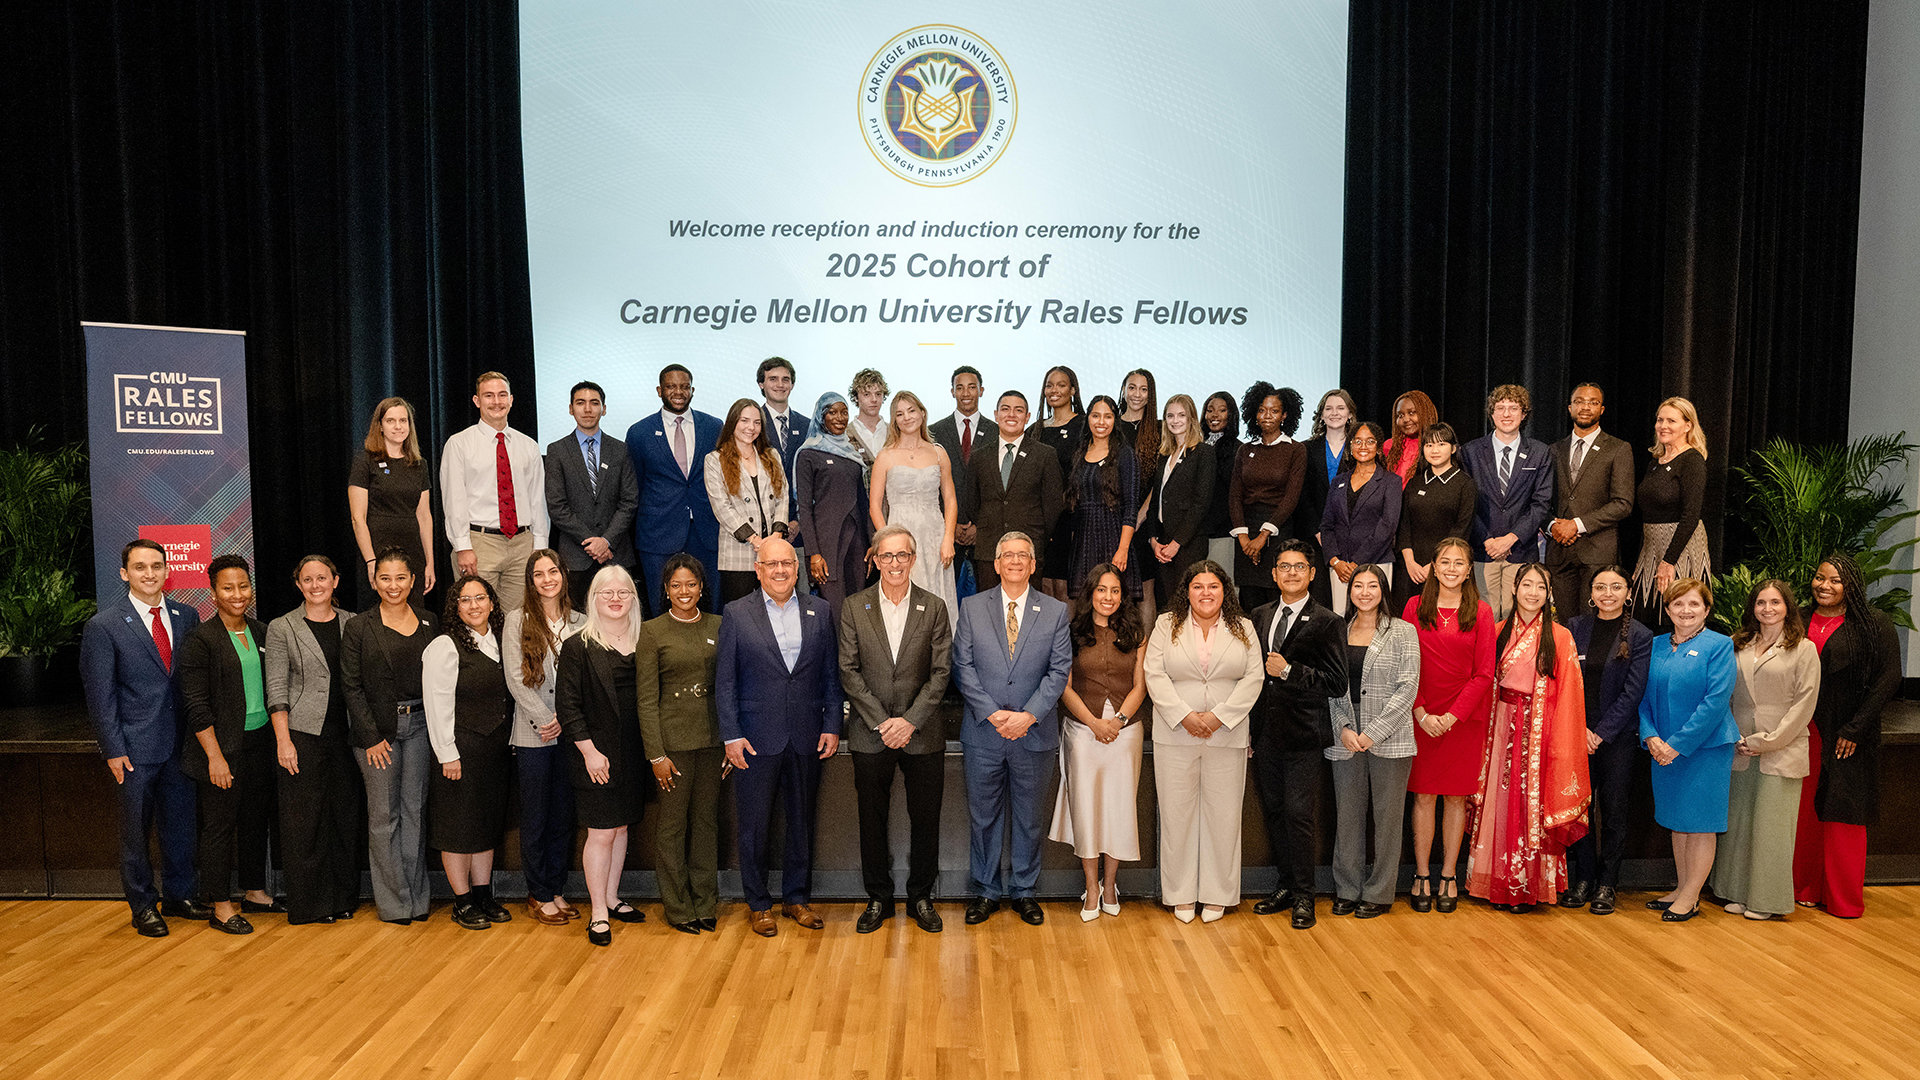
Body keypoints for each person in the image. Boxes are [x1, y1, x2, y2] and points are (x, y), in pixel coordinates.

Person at [79, 539, 206, 937]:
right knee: (135, 831)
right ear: (124, 574)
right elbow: (100, 694)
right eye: (139, 567)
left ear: (168, 571)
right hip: (134, 747)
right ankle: (142, 905)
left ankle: (180, 895)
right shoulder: (104, 626)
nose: (149, 573)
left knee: (182, 825)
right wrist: (113, 749)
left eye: (156, 566)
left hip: (180, 744)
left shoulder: (187, 615)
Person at [717, 537, 843, 937]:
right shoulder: (737, 613)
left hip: (807, 734)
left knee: (801, 822)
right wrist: (731, 735)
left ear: (797, 566)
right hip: (755, 738)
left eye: (787, 563)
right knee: (754, 825)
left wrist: (832, 724)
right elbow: (725, 682)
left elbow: (830, 675)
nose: (779, 571)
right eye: (771, 564)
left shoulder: (819, 611)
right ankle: (758, 903)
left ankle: (796, 898)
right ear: (758, 569)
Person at [953, 531, 1074, 926]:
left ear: (1034, 565)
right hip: (984, 733)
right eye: (1009, 555)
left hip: (1033, 733)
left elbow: (1058, 673)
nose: (1016, 561)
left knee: (1028, 817)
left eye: (1024, 555)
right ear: (997, 562)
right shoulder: (971, 608)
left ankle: (1024, 891)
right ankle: (986, 891)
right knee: (983, 817)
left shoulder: (1055, 612)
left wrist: (1029, 715)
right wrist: (992, 713)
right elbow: (962, 667)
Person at [839, 525, 953, 934]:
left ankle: (921, 896)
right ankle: (878, 899)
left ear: (913, 558)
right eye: (886, 556)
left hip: (921, 733)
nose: (894, 564)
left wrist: (909, 721)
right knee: (872, 820)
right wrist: (882, 721)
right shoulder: (854, 607)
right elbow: (848, 671)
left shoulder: (935, 607)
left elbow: (941, 673)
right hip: (872, 733)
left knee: (926, 820)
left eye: (902, 555)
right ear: (874, 559)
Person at [1463, 563, 1590, 911]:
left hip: (1540, 730)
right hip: (1501, 723)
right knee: (1499, 803)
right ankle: (1495, 884)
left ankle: (1527, 888)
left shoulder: (1560, 636)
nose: (1533, 592)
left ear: (1549, 593)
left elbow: (1569, 694)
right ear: (1515, 588)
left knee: (1529, 805)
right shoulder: (1499, 629)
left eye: (1540, 587)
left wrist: (1561, 741)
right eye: (1527, 585)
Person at [1144, 560, 1264, 923]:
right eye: (1198, 586)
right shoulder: (1167, 624)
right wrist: (1184, 715)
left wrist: (1219, 717)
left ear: (1224, 591)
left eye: (1213, 586)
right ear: (1187, 591)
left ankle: (1217, 894)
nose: (1206, 593)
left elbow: (1254, 677)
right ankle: (1180, 893)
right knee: (1177, 815)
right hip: (1175, 732)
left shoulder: (1242, 627)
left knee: (1224, 816)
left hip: (1226, 733)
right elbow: (1154, 673)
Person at [1246, 539, 1349, 929]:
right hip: (1265, 733)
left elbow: (1337, 682)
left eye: (1299, 566)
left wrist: (1289, 671)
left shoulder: (1328, 620)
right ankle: (1286, 885)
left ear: (1312, 573)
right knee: (1273, 812)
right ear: (1273, 574)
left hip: (1304, 735)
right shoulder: (1257, 615)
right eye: (1284, 566)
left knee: (1299, 815)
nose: (1291, 572)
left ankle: (1306, 895)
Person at [1795, 553, 1903, 918]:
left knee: (1844, 818)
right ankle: (1805, 888)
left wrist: (1856, 728)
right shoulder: (1799, 618)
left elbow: (1889, 678)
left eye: (1835, 580)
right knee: (1805, 814)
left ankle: (1842, 899)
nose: (1824, 586)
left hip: (1849, 734)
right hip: (1803, 732)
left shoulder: (1873, 623)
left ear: (1851, 586)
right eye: (1820, 578)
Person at [1711, 580, 1819, 921]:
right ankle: (1738, 893)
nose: (1767, 609)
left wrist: (1765, 741)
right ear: (1752, 608)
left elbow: (1805, 704)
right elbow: (1724, 695)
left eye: (1775, 602)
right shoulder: (1738, 644)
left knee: (1772, 830)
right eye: (1761, 602)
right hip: (1739, 749)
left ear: (1788, 607)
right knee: (1740, 826)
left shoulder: (1804, 649)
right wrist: (1736, 738)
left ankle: (1767, 901)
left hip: (1780, 749)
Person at [178, 555, 275, 934]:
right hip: (220, 750)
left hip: (259, 742)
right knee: (220, 827)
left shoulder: (262, 631)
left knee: (254, 821)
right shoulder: (200, 640)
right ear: (213, 592)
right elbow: (196, 706)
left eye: (243, 586)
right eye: (228, 588)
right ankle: (220, 904)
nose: (238, 595)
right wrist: (215, 757)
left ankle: (254, 891)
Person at [264, 555, 362, 925]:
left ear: (335, 581)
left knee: (343, 818)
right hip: (303, 736)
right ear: (298, 584)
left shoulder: (353, 623)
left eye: (323, 577)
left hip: (348, 736)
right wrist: (283, 740)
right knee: (304, 823)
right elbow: (276, 687)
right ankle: (312, 905)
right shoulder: (282, 627)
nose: (316, 585)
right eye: (308, 579)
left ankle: (342, 899)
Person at [342, 548, 437, 924]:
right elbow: (351, 686)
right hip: (377, 735)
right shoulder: (359, 627)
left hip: (420, 729)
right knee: (384, 817)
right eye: (385, 578)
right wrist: (369, 737)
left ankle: (416, 898)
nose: (393, 585)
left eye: (401, 578)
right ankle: (394, 904)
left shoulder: (430, 623)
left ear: (413, 581)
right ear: (374, 581)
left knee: (415, 813)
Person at [557, 564, 649, 946]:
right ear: (593, 599)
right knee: (601, 831)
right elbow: (568, 706)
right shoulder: (578, 645)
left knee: (622, 826)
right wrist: (590, 752)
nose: (615, 599)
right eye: (606, 593)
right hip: (596, 754)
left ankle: (612, 897)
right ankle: (597, 912)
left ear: (633, 598)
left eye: (622, 592)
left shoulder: (647, 639)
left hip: (636, 752)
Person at [1402, 537, 1495, 914]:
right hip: (1420, 714)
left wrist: (1452, 717)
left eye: (1459, 563)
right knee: (1423, 796)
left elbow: (1484, 673)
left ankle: (1448, 875)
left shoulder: (1482, 612)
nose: (1452, 569)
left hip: (1463, 720)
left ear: (1468, 569)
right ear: (1434, 567)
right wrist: (1422, 713)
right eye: (1445, 562)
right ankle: (1421, 875)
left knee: (1457, 798)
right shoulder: (1413, 606)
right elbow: (1405, 663)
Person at [1051, 563, 1149, 920]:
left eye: (1115, 591)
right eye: (1102, 590)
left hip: (1126, 731)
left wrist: (1119, 721)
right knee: (1087, 808)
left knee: (1119, 808)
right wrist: (1093, 723)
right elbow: (1063, 686)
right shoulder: (1071, 631)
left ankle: (1111, 884)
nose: (1108, 597)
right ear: (1090, 593)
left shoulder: (1137, 631)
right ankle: (1091, 886)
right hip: (1082, 730)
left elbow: (1141, 685)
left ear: (1123, 596)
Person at [1638, 577, 1739, 922]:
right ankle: (1682, 889)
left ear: (1707, 609)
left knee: (1700, 824)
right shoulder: (1655, 645)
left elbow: (1715, 703)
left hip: (1704, 749)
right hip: (1661, 749)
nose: (1686, 611)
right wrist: (1651, 736)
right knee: (1677, 821)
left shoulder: (1720, 646)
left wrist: (1676, 746)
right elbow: (1641, 696)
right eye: (1678, 604)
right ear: (1667, 609)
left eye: (1694, 604)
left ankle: (1692, 896)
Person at [1323, 565, 1419, 918]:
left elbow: (1408, 687)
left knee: (1387, 818)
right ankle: (1347, 888)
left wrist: (1372, 732)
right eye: (1357, 585)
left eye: (1372, 585)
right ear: (1349, 592)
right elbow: (1331, 687)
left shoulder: (1403, 631)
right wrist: (1345, 727)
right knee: (1347, 817)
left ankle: (1379, 893)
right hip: (1344, 735)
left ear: (1383, 590)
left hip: (1389, 735)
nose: (1364, 592)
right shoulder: (1337, 630)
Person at [636, 554, 724, 935]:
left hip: (713, 743)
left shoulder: (721, 626)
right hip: (672, 748)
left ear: (702, 588)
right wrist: (656, 754)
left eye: (691, 584)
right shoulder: (652, 632)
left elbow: (731, 687)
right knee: (672, 827)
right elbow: (645, 699)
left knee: (706, 825)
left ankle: (705, 902)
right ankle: (677, 906)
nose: (684, 591)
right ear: (666, 591)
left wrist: (731, 743)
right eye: (676, 585)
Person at [423, 574, 514, 930]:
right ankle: (462, 901)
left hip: (494, 750)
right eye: (465, 600)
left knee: (485, 824)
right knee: (458, 827)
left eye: (480, 598)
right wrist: (448, 753)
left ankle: (482, 894)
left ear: (492, 603)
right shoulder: (444, 646)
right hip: (459, 751)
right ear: (455, 607)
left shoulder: (502, 642)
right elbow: (437, 703)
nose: (474, 606)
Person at [501, 549, 587, 926]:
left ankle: (555, 887)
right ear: (530, 581)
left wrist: (566, 721)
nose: (547, 579)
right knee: (535, 817)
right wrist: (545, 719)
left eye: (553, 571)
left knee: (562, 817)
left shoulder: (582, 622)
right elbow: (515, 680)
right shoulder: (515, 620)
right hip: (533, 734)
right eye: (539, 574)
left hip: (569, 735)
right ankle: (537, 893)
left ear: (563, 576)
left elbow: (584, 681)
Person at [1562, 567, 1652, 914]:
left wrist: (1601, 733)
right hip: (1576, 734)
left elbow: (1633, 692)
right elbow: (1568, 683)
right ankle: (1583, 878)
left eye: (1616, 587)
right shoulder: (1575, 628)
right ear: (1591, 592)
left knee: (1614, 812)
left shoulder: (1641, 635)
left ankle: (1607, 883)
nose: (1608, 593)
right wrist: (1581, 729)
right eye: (1601, 587)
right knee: (1579, 809)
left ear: (1628, 592)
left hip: (1617, 738)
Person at [441, 371, 547, 611]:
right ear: (477, 401)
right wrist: (463, 547)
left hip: (523, 546)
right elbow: (454, 500)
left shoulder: (528, 446)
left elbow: (537, 500)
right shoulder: (459, 444)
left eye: (502, 395)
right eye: (489, 396)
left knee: (518, 622)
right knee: (476, 618)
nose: (496, 402)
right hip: (479, 544)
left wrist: (539, 547)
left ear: (511, 400)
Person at [626, 363, 722, 616]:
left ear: (692, 390)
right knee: (660, 606)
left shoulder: (713, 427)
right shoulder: (639, 432)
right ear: (659, 390)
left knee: (710, 605)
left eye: (684, 386)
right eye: (671, 386)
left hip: (706, 531)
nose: (678, 391)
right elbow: (635, 484)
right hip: (658, 534)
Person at [544, 380, 639, 610]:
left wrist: (606, 541)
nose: (588, 409)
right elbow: (557, 506)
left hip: (615, 554)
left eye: (594, 403)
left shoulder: (620, 449)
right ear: (570, 408)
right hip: (575, 557)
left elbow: (629, 500)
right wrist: (591, 542)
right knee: (577, 623)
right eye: (581, 403)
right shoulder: (556, 451)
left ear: (603, 409)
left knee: (621, 618)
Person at [1461, 384, 1553, 620]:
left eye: (1514, 408)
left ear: (1524, 415)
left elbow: (1541, 503)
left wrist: (1511, 539)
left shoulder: (1540, 452)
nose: (1506, 414)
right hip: (1483, 551)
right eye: (1500, 408)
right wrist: (1489, 540)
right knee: (1485, 618)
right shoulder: (1470, 452)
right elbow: (1465, 503)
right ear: (1491, 414)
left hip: (1520, 551)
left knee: (1519, 617)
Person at [870, 389, 959, 628]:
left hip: (935, 536)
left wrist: (948, 538)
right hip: (900, 534)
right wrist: (888, 545)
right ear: (894, 420)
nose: (907, 417)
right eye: (899, 414)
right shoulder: (885, 456)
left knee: (937, 596)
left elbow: (950, 499)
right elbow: (875, 507)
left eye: (911, 410)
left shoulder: (939, 453)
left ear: (922, 413)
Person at [1545, 383, 1635, 620]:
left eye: (1593, 402)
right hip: (1559, 551)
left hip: (1597, 552)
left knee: (1593, 624)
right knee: (1563, 626)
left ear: (1602, 409)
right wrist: (1552, 526)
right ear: (1569, 407)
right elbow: (1541, 500)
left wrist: (1577, 524)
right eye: (1579, 401)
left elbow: (1623, 503)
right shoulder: (1553, 450)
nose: (1585, 407)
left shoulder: (1618, 449)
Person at [962, 391, 1066, 590]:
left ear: (1027, 417)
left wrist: (1037, 539)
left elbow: (1052, 507)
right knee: (990, 613)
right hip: (989, 551)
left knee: (1027, 613)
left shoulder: (1044, 455)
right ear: (995, 415)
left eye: (1019, 410)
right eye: (1005, 409)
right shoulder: (979, 457)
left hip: (1029, 550)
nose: (1011, 415)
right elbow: (971, 503)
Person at [1228, 382, 1308, 612]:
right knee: (1249, 603)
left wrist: (1263, 536)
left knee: (1276, 598)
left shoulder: (1295, 449)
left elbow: (1291, 497)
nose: (1267, 416)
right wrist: (1244, 539)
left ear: (1284, 415)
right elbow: (1235, 496)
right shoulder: (1245, 450)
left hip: (1278, 529)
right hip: (1246, 531)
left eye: (1274, 411)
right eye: (1262, 410)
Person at [794, 391, 872, 625]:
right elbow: (804, 509)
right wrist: (813, 554)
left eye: (844, 412)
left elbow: (864, 503)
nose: (839, 417)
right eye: (832, 412)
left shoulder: (852, 455)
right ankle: (836, 663)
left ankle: (855, 662)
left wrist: (872, 544)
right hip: (826, 547)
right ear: (821, 416)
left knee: (859, 609)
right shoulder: (808, 453)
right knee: (835, 612)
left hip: (857, 544)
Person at [349, 397, 436, 605]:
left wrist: (429, 562)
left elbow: (424, 516)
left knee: (413, 613)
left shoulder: (419, 464)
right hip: (377, 549)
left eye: (403, 421)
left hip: (412, 551)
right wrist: (371, 560)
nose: (398, 426)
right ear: (379, 426)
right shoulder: (365, 461)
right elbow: (357, 518)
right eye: (391, 421)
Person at [704, 398, 791, 605]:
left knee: (776, 610)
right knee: (742, 616)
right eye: (744, 421)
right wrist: (755, 540)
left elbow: (783, 496)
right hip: (737, 555)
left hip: (774, 552)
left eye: (757, 422)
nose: (751, 428)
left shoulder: (771, 455)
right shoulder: (715, 460)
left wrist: (776, 536)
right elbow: (722, 507)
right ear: (732, 422)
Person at [1631, 397, 1710, 622]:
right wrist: (1642, 558)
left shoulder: (1692, 460)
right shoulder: (1655, 461)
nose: (1663, 426)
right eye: (1659, 420)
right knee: (1646, 618)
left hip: (1680, 550)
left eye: (1671, 421)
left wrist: (1669, 561)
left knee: (1677, 616)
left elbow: (1691, 515)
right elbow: (1647, 515)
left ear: (1688, 426)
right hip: (1652, 550)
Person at [1319, 421, 1402, 617]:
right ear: (1350, 446)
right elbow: (1327, 525)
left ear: (1379, 447)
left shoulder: (1391, 482)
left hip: (1376, 563)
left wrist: (1357, 563)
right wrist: (1335, 561)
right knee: (1341, 619)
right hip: (1340, 568)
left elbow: (1388, 526)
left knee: (1375, 619)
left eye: (1370, 441)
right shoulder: (1338, 481)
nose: (1363, 446)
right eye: (1358, 441)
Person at [1065, 395, 1140, 604]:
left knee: (1115, 604)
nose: (1101, 422)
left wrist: (1122, 549)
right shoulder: (1080, 452)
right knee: (1086, 606)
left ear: (1115, 420)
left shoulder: (1125, 454)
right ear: (1087, 418)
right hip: (1084, 541)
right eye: (1096, 415)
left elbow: (1131, 506)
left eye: (1108, 416)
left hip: (1114, 539)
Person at [1394, 423, 1476, 613]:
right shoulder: (1415, 482)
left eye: (1441, 444)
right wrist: (1409, 562)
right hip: (1411, 568)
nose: (1434, 450)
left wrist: (1436, 565)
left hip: (1447, 569)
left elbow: (1461, 529)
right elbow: (1403, 524)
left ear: (1453, 448)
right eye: (1429, 445)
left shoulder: (1465, 484)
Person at [1145, 393, 1216, 607]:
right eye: (1170, 416)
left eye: (1181, 415)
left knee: (1189, 602)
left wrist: (1177, 543)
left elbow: (1201, 503)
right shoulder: (1164, 455)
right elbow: (1155, 500)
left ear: (1192, 418)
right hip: (1163, 541)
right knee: (1167, 603)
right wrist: (1153, 539)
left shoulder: (1204, 453)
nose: (1175, 420)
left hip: (1189, 542)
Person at [928, 366, 991, 599]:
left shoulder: (996, 432)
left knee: (984, 602)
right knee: (943, 601)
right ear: (952, 392)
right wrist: (949, 526)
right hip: (944, 534)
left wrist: (979, 526)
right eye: (960, 387)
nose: (966, 393)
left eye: (972, 387)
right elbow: (931, 486)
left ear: (981, 391)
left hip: (984, 535)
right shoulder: (933, 432)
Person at [1296, 389, 1357, 607]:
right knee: (1318, 599)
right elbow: (1301, 495)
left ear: (1350, 414)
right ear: (1321, 415)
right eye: (1328, 408)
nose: (1334, 413)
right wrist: (1319, 532)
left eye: (1340, 408)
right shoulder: (1305, 449)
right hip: (1314, 538)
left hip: (1349, 537)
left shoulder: (1360, 448)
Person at [1034, 365, 1088, 600]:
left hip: (1074, 517)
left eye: (1061, 385)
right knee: (1044, 583)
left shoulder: (1085, 426)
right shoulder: (1035, 430)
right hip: (1041, 520)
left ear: (1073, 390)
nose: (1054, 390)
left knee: (1070, 586)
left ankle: (1071, 637)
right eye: (1049, 385)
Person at [1200, 391, 1242, 578]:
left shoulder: (1239, 449)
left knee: (1222, 587)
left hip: (1223, 532)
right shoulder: (1194, 445)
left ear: (1231, 415)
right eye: (1210, 410)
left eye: (1222, 410)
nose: (1215, 416)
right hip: (1195, 534)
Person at [1381, 390, 1439, 481]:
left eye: (1412, 412)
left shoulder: (1438, 446)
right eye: (1400, 415)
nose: (1406, 419)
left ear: (1425, 413)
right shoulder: (1389, 446)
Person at [847, 367, 891, 463]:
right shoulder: (845, 435)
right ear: (856, 398)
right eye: (867, 394)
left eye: (878, 394)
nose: (874, 399)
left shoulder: (895, 433)